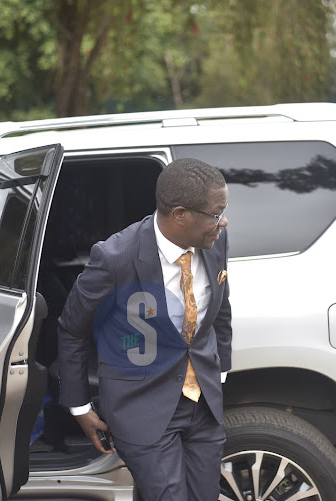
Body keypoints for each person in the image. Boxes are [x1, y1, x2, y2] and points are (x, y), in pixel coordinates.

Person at [57, 158, 232, 500]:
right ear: (180, 214)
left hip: (203, 403)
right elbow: (72, 329)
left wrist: (220, 373)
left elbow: (221, 306)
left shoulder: (216, 241)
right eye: (216, 212)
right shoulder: (115, 258)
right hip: (143, 408)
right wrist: (79, 407)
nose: (223, 221)